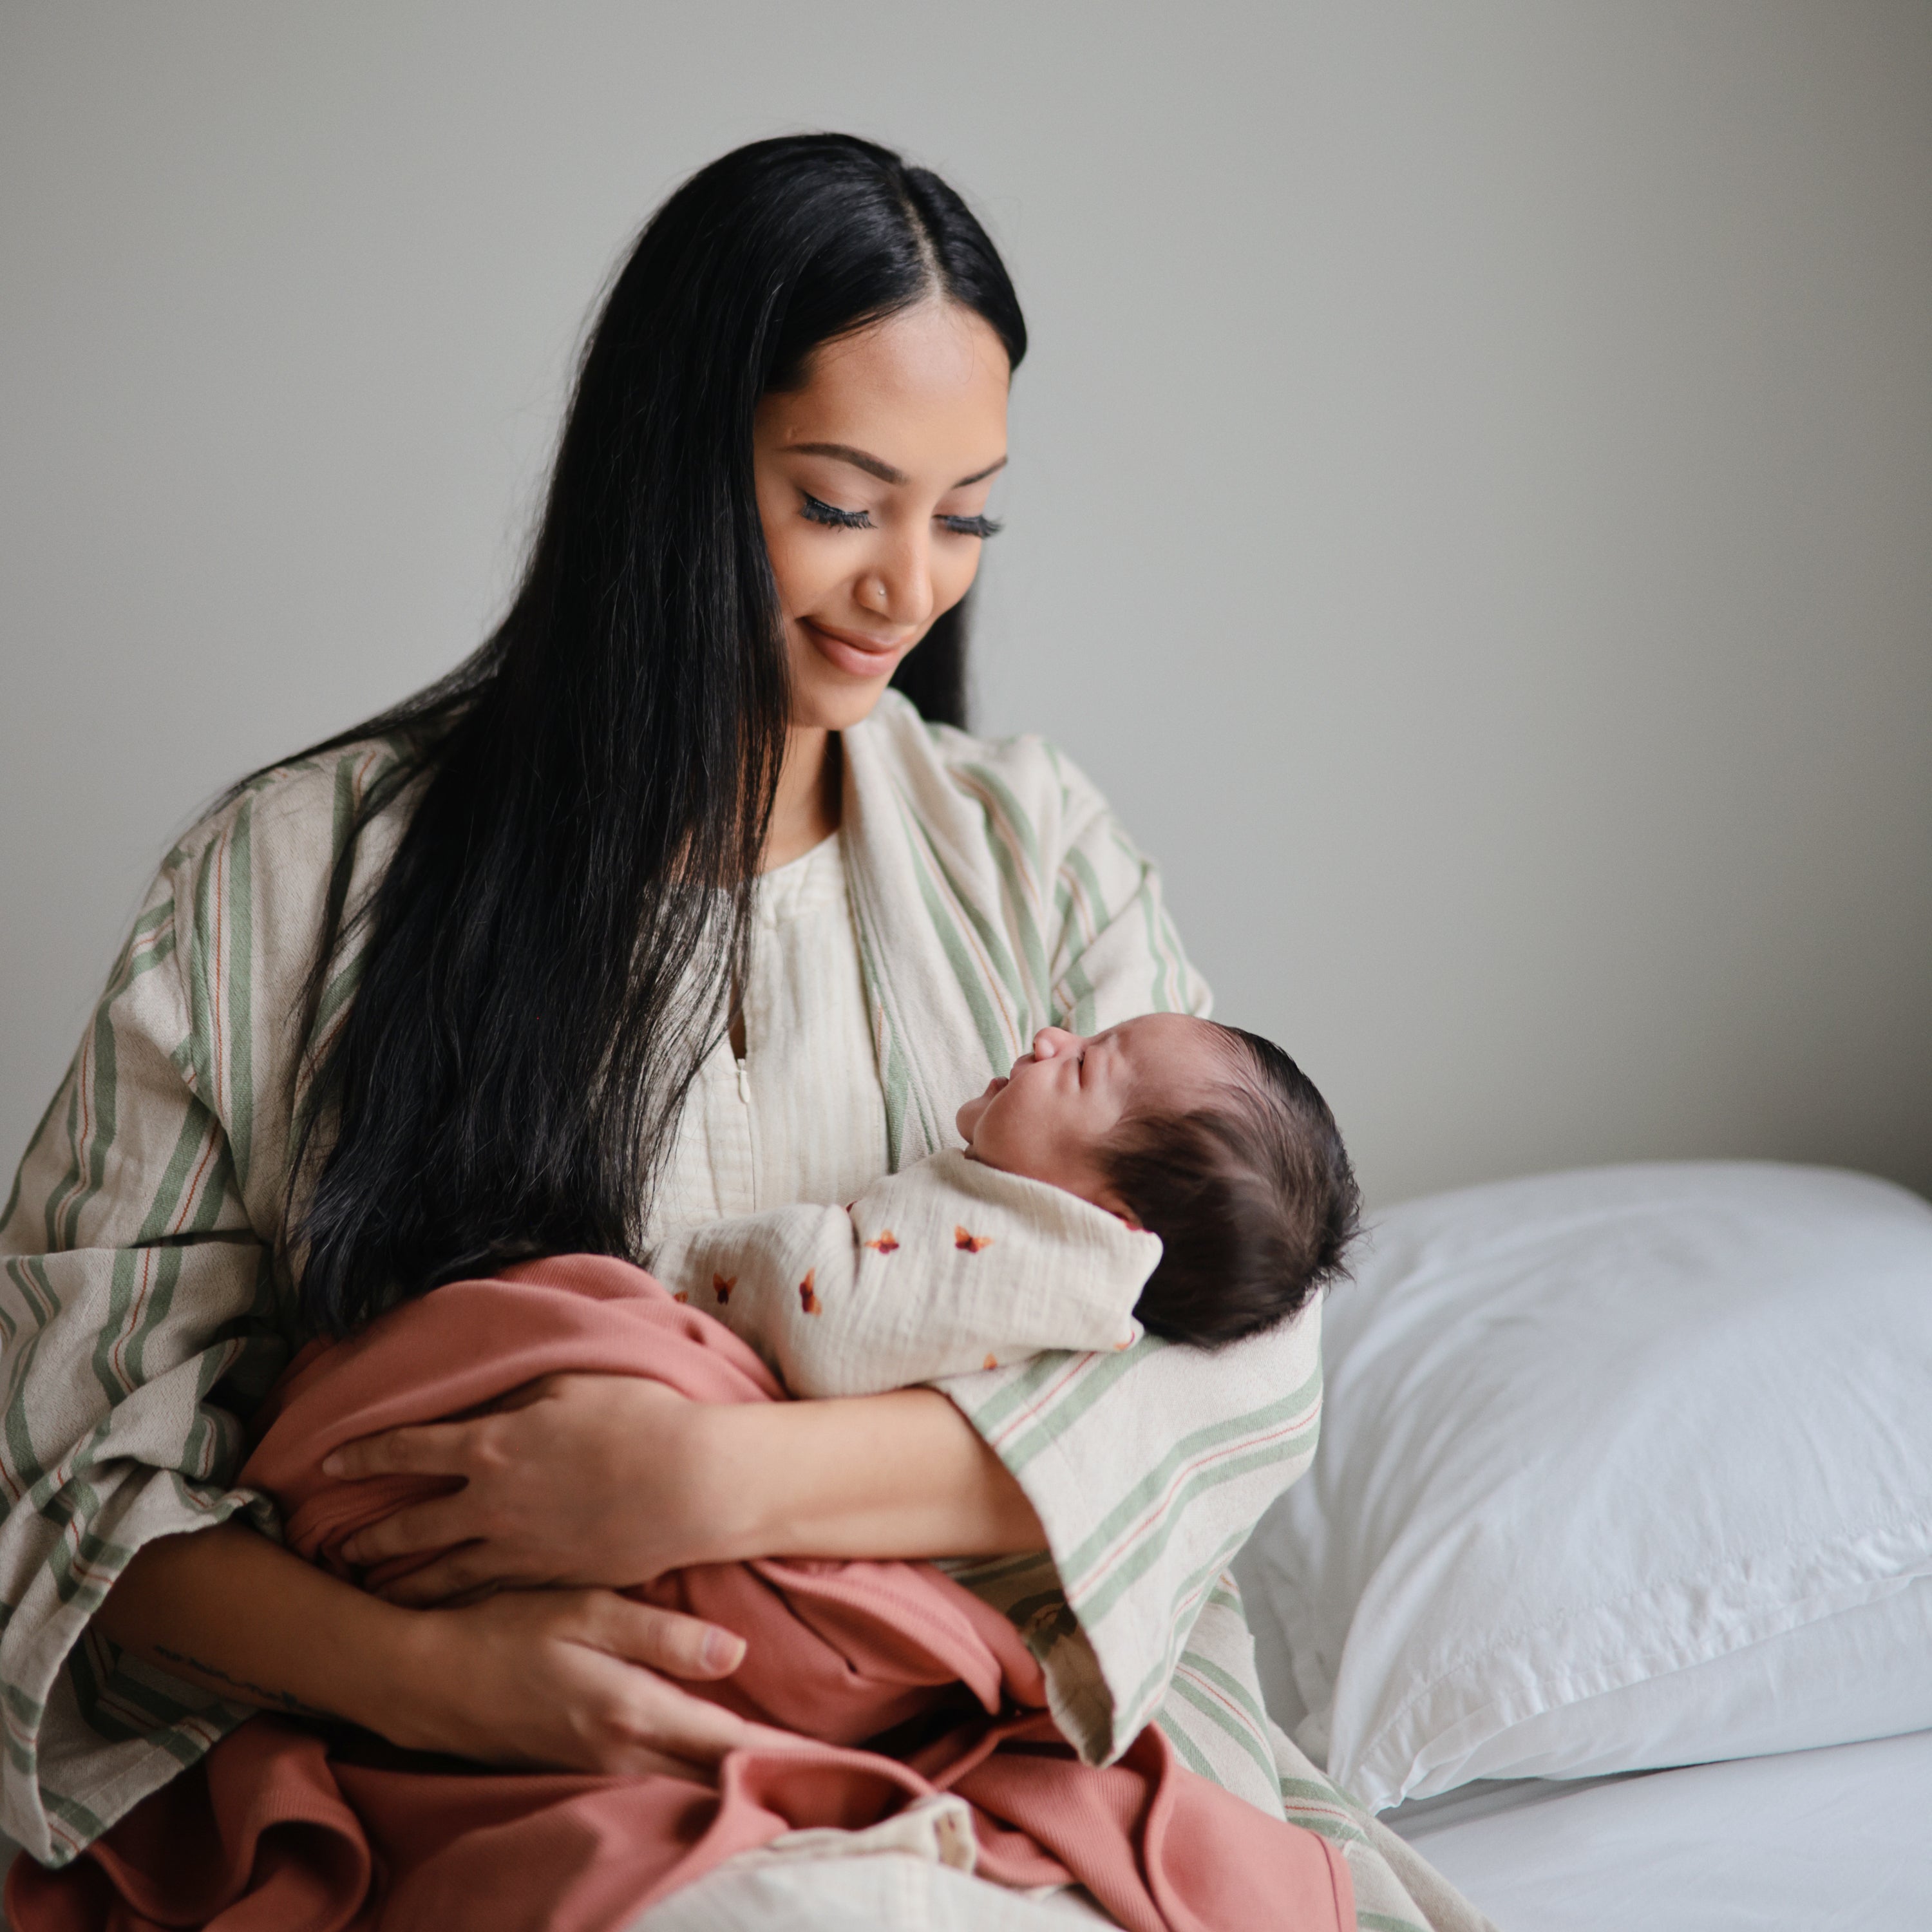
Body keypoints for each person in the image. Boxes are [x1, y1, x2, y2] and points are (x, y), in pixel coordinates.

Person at [0, 134, 1461, 1929]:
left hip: (988, 1749)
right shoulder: (298, 878)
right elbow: (63, 1461)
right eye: (843, 503)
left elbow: (1242, 1352)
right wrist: (427, 1678)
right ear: (669, 474)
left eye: (968, 512)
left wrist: (708, 1477)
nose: (910, 585)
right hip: (464, 1770)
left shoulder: (1041, 854)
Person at [646, 1014, 1361, 1400]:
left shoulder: (1043, 1267)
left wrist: (663, 1271)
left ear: (1108, 1219)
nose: (1051, 1038)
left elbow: (831, 1319)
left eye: (1082, 1065)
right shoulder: (1003, 1213)